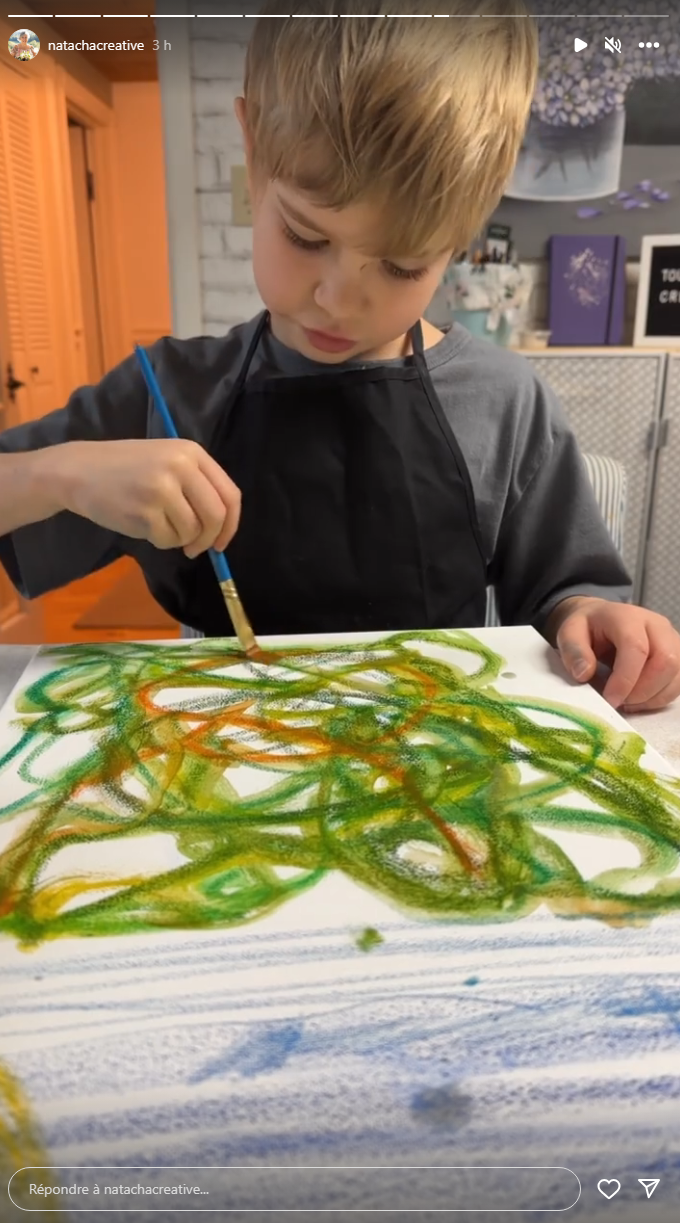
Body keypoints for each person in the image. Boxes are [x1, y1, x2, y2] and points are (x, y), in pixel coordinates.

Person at [1, 1, 679, 714]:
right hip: (221, 756)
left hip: (436, 767)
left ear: (461, 238)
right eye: (305, 236)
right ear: (254, 150)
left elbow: (566, 595)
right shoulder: (166, 392)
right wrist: (61, 473)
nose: (336, 298)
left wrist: (592, 622)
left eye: (400, 266)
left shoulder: (505, 402)